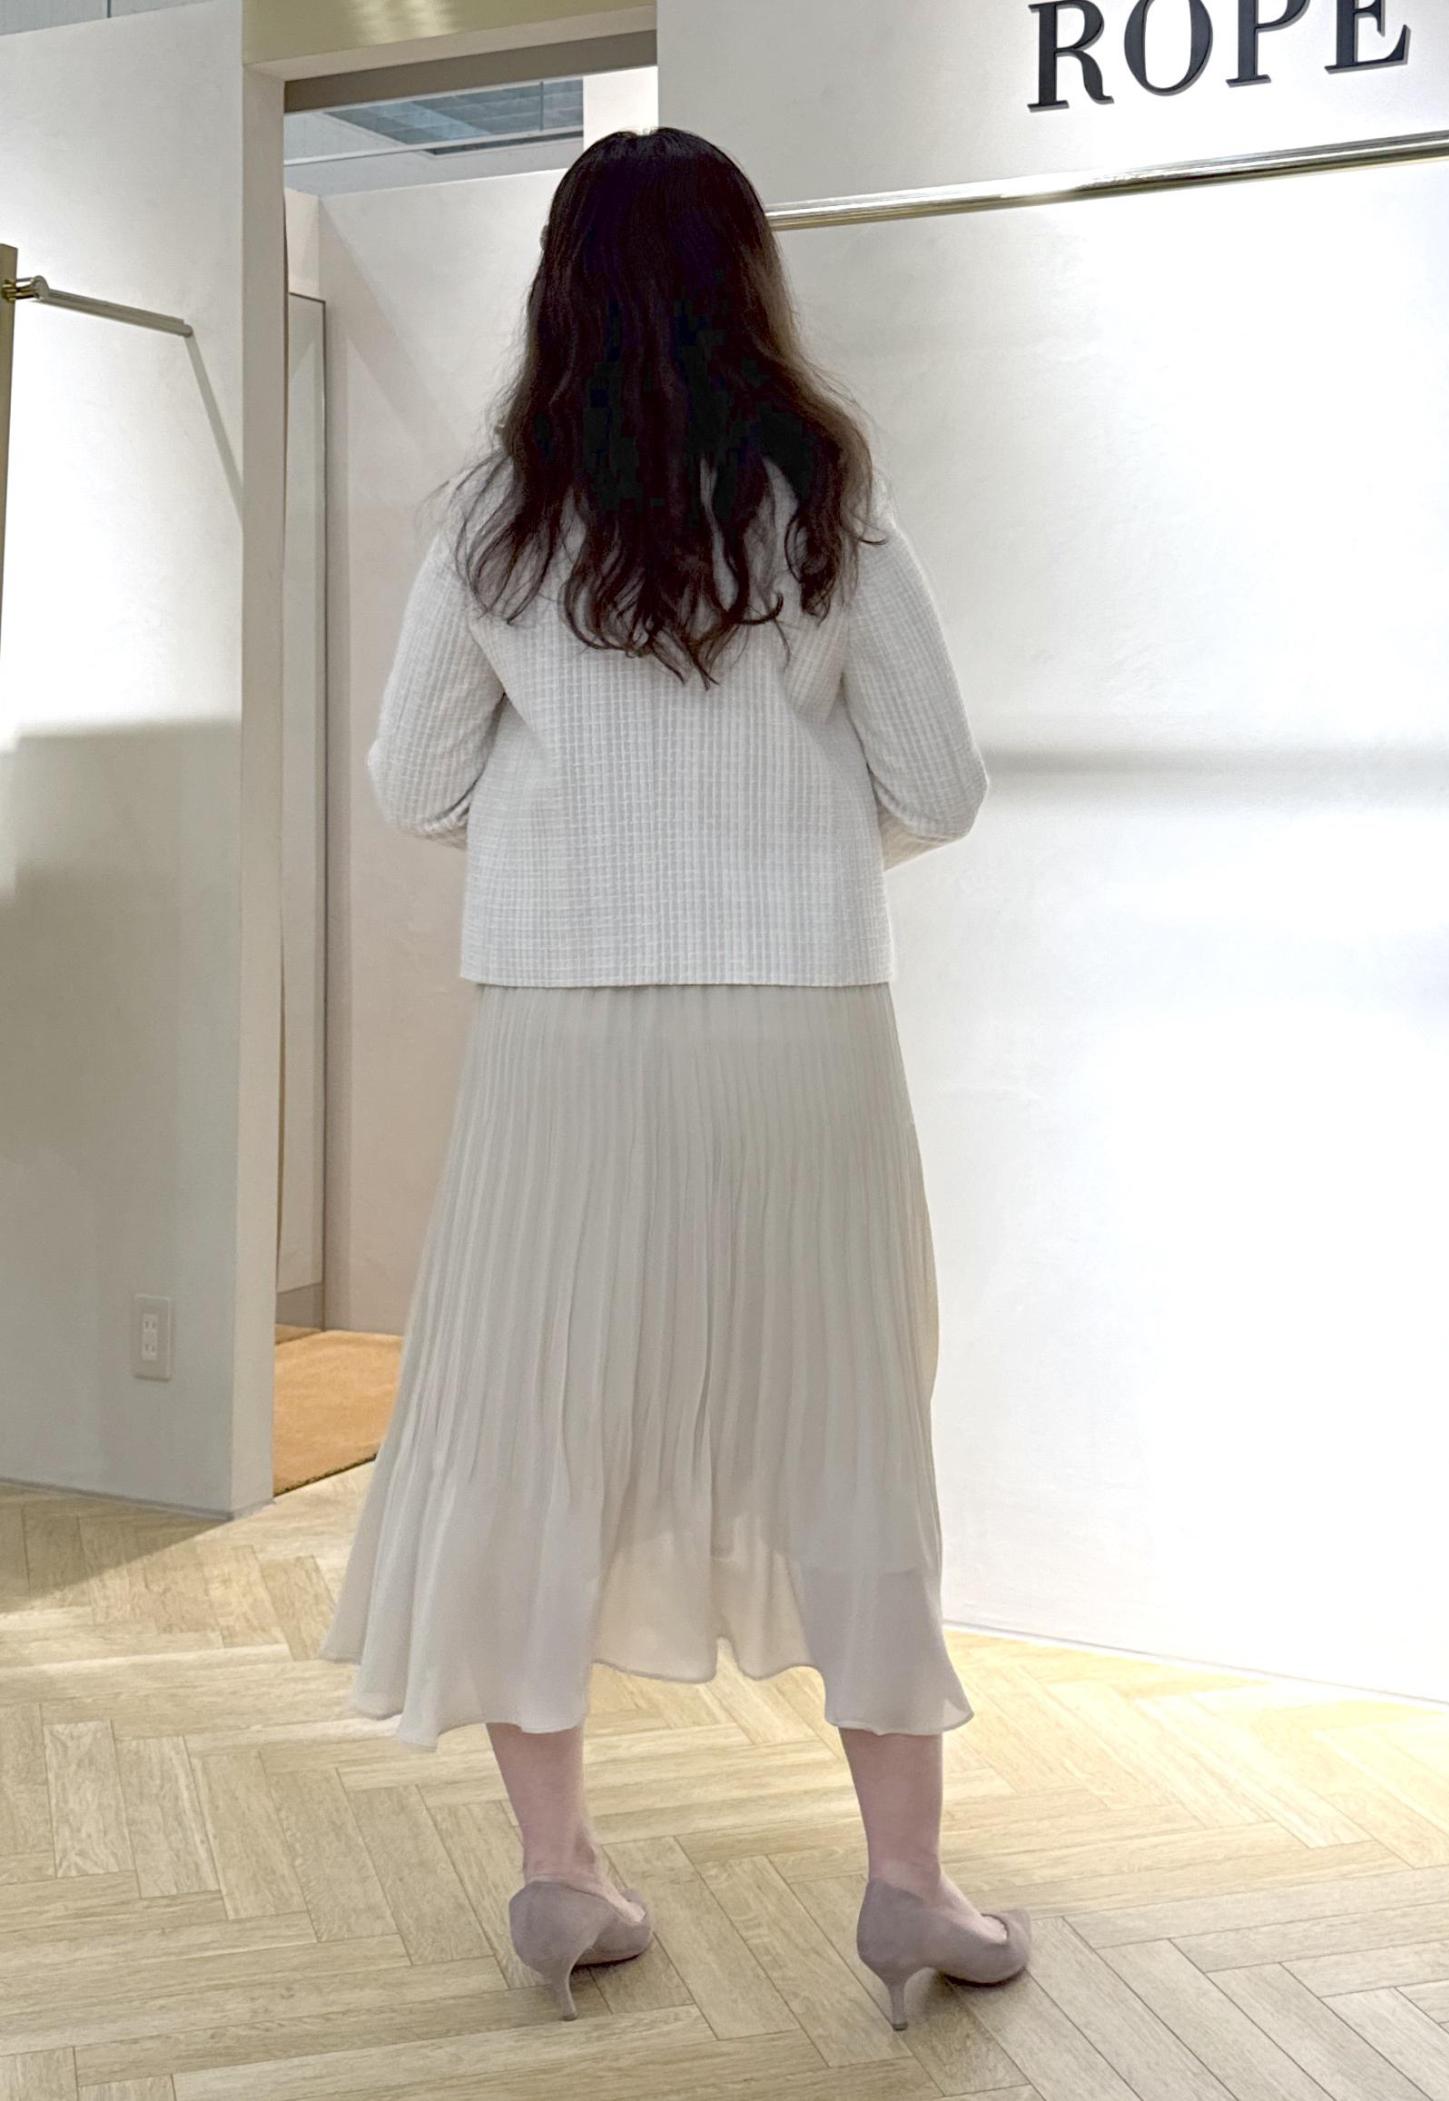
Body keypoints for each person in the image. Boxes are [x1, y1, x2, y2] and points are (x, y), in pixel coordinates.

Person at [318, 123, 1029, 2030]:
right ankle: (908, 1885)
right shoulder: (825, 495)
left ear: (559, 286)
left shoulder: (494, 514)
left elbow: (415, 780)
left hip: (559, 1037)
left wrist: (575, 853)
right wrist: (788, 858)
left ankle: (560, 1870)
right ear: (747, 278)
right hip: (803, 1031)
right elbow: (941, 783)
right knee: (848, 1423)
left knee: (529, 1429)